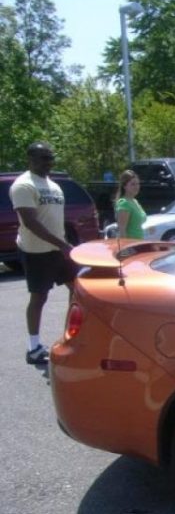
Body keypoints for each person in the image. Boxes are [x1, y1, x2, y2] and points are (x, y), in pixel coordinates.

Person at [9, 142, 75, 365]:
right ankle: (34, 348)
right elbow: (31, 223)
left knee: (77, 289)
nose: (49, 162)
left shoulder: (53, 185)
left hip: (58, 249)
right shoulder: (23, 185)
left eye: (51, 158)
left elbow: (54, 218)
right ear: (31, 159)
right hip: (36, 252)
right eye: (44, 158)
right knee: (39, 297)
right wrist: (63, 245)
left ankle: (72, 337)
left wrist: (64, 243)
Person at [114, 170, 147, 239]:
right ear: (124, 186)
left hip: (139, 242)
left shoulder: (135, 201)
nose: (136, 187)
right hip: (130, 244)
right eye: (133, 184)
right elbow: (122, 231)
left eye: (138, 184)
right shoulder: (124, 203)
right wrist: (126, 245)